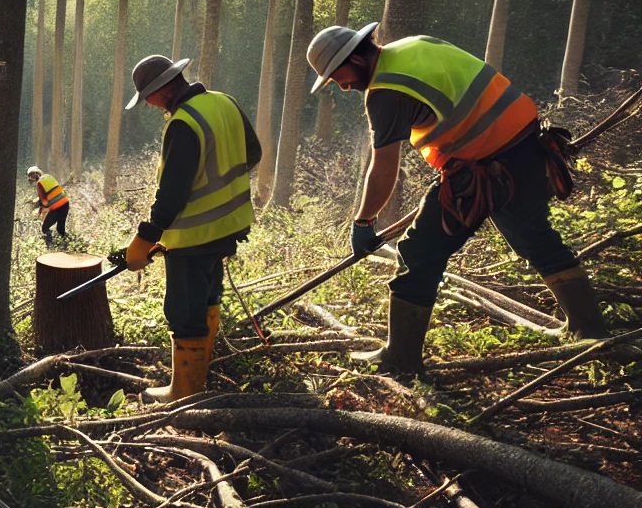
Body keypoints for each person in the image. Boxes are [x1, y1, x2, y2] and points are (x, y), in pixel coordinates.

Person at [308, 23, 607, 374]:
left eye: (338, 76)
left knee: (419, 251)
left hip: (483, 166)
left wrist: (363, 221)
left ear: (355, 57)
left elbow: (384, 168)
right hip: (526, 144)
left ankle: (401, 357)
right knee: (536, 238)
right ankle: (588, 328)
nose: (342, 85)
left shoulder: (385, 92)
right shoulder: (415, 45)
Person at [125, 55, 261, 402]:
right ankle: (200, 376)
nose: (150, 105)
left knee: (185, 311)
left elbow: (171, 195)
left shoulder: (184, 123)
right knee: (208, 298)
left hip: (194, 237)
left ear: (164, 89)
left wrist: (145, 239)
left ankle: (185, 393)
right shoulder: (223, 102)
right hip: (228, 228)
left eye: (149, 98)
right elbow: (254, 153)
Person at [28, 166, 70, 247]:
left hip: (56, 208)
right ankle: (68, 244)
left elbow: (44, 202)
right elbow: (52, 193)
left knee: (45, 228)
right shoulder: (48, 177)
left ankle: (50, 246)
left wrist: (37, 205)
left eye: (32, 176)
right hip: (65, 204)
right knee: (60, 230)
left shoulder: (39, 183)